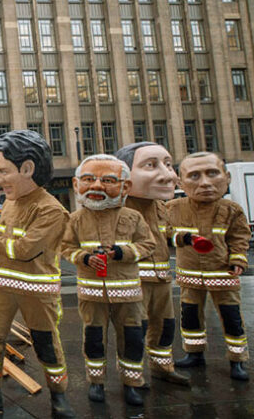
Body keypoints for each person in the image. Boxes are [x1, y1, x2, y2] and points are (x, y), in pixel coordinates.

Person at [0, 130, 74, 418]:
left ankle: (59, 397)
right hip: (3, 286)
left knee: (46, 344)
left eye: (3, 171)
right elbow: (11, 234)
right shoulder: (11, 202)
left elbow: (25, 249)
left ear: (27, 168)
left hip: (36, 291)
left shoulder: (52, 211)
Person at [61, 154, 155, 406]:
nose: (97, 186)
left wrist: (123, 253)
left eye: (108, 180)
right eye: (88, 179)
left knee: (133, 338)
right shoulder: (75, 219)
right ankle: (96, 382)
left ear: (125, 186)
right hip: (92, 294)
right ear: (76, 184)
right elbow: (65, 247)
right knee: (93, 339)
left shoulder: (133, 217)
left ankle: (132, 383)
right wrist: (83, 257)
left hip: (129, 294)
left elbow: (148, 244)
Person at [167, 152, 250, 380]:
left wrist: (237, 260)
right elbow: (163, 233)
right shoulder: (172, 208)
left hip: (222, 272)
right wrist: (180, 238)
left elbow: (239, 238)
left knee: (231, 317)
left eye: (212, 174)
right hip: (189, 275)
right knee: (190, 316)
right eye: (194, 176)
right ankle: (194, 353)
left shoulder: (232, 210)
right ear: (180, 182)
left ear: (227, 177)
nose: (205, 183)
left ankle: (237, 359)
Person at [114, 142, 190, 386]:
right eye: (151, 165)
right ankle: (131, 375)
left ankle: (161, 366)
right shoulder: (119, 208)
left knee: (165, 325)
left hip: (162, 280)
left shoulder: (159, 206)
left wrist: (185, 239)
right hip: (134, 282)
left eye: (168, 165)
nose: (169, 175)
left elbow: (166, 234)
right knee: (135, 329)